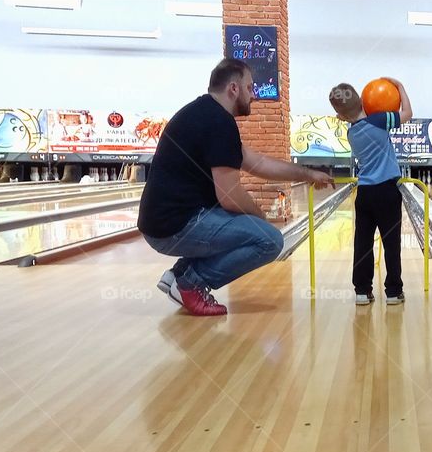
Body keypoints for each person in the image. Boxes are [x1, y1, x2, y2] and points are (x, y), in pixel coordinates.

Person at [138, 58, 333, 316]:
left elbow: (257, 163)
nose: (254, 96)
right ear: (234, 88)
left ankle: (180, 273)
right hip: (173, 227)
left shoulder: (205, 113)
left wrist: (308, 173)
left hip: (165, 222)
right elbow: (229, 196)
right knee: (270, 241)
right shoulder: (219, 122)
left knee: (250, 228)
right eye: (250, 88)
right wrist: (260, 218)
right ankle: (190, 283)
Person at [328, 78, 412, 306]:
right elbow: (407, 113)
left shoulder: (351, 133)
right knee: (391, 243)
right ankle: (394, 292)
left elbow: (349, 116)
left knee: (363, 243)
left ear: (342, 116)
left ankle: (362, 291)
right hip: (387, 191)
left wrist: (345, 115)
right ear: (364, 102)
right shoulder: (380, 120)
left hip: (365, 194)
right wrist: (400, 87)